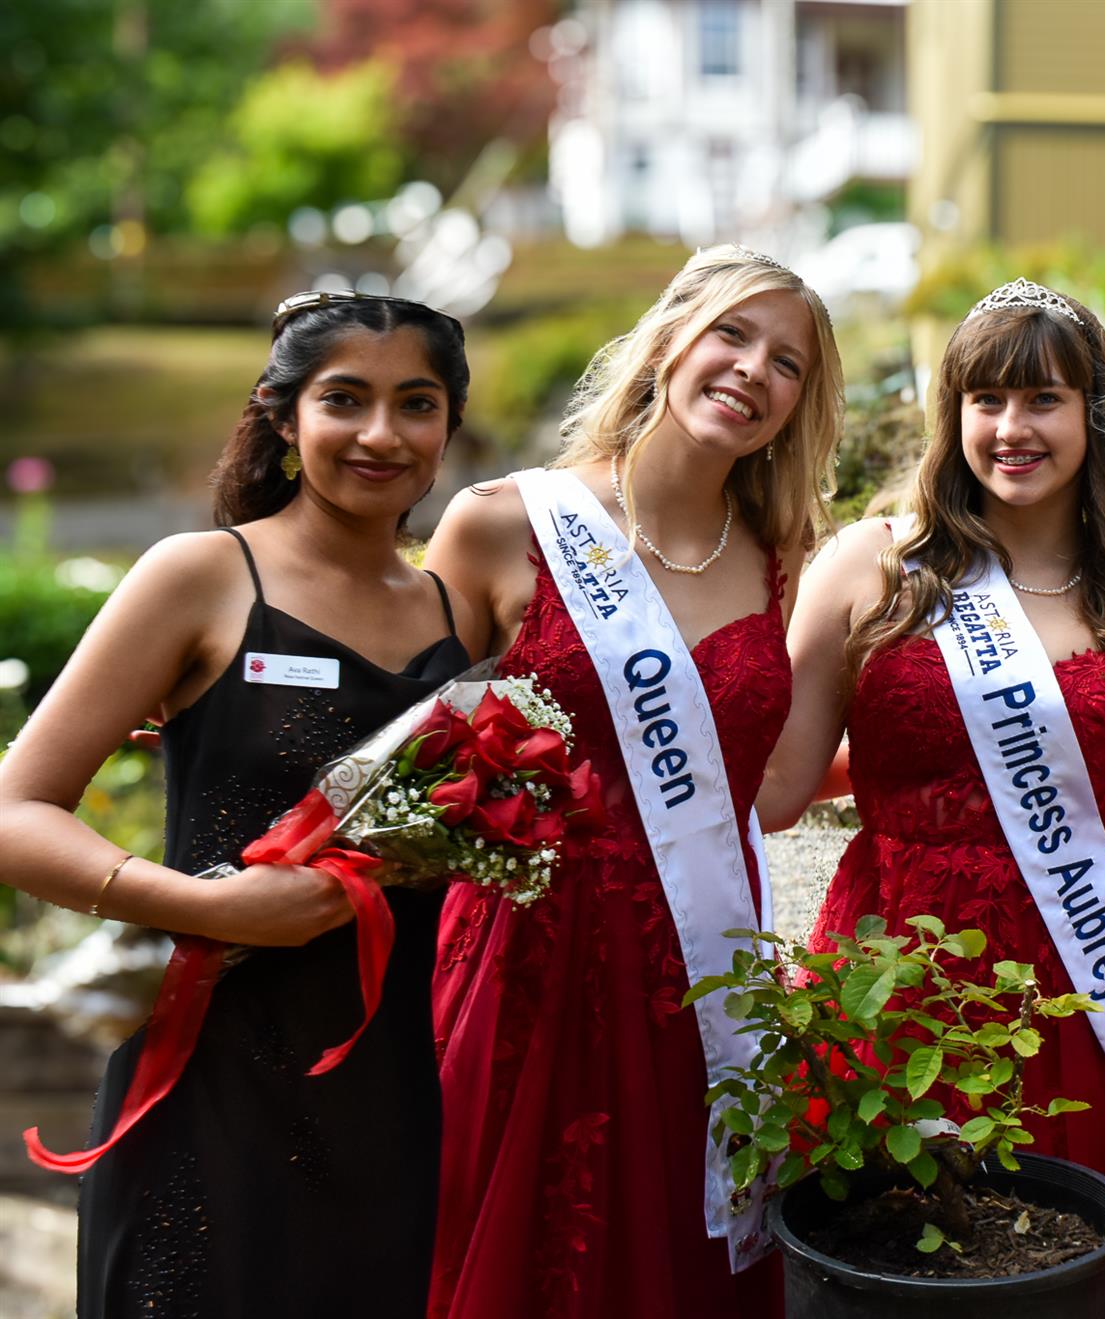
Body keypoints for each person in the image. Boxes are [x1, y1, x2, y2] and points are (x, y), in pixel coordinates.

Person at [0, 292, 471, 1318]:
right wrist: (208, 905)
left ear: (450, 426)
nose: (382, 433)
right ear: (282, 414)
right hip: (211, 1088)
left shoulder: (462, 613)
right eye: (343, 399)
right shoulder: (202, 576)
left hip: (410, 1097)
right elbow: (15, 813)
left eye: (416, 403)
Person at [757, 278, 1105, 1319]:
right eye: (986, 399)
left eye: (1044, 399)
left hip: (1082, 977)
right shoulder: (871, 564)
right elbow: (775, 786)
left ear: (1092, 415)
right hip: (896, 961)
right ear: (952, 412)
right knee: (891, 1247)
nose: (1011, 428)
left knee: (1070, 1252)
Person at [421, 245, 842, 1318]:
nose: (752, 370)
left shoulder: (784, 555)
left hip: (696, 977)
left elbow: (772, 786)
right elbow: (408, 737)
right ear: (668, 341)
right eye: (731, 334)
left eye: (787, 363)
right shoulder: (505, 523)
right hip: (527, 956)